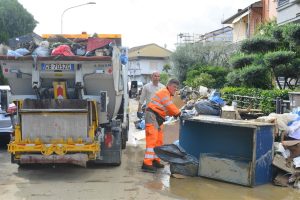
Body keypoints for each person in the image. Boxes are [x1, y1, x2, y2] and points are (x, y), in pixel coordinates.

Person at [141, 78, 181, 173]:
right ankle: (147, 163)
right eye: (174, 87)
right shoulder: (164, 92)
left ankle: (155, 160)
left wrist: (175, 113)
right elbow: (169, 106)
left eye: (177, 87)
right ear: (169, 86)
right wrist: (178, 113)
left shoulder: (167, 94)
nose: (175, 89)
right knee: (152, 139)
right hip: (152, 116)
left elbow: (168, 109)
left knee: (159, 140)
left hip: (157, 118)